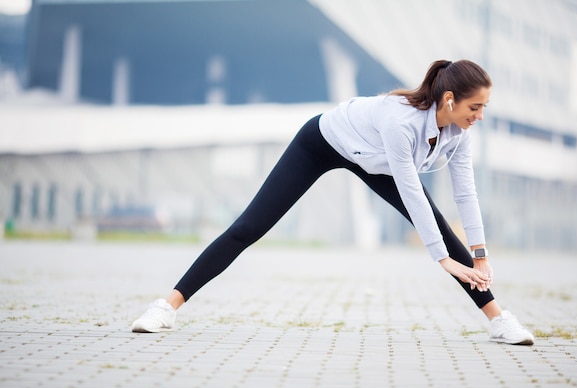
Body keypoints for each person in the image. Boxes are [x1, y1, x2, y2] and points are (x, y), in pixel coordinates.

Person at [131, 59, 534, 345]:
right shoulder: (402, 123)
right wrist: (441, 260)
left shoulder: (461, 133)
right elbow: (411, 192)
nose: (480, 116)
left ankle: (499, 321)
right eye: (474, 107)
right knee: (248, 227)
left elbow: (465, 191)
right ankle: (166, 307)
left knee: (447, 233)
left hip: (375, 161)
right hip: (323, 142)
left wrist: (479, 255)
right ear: (449, 99)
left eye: (484, 108)